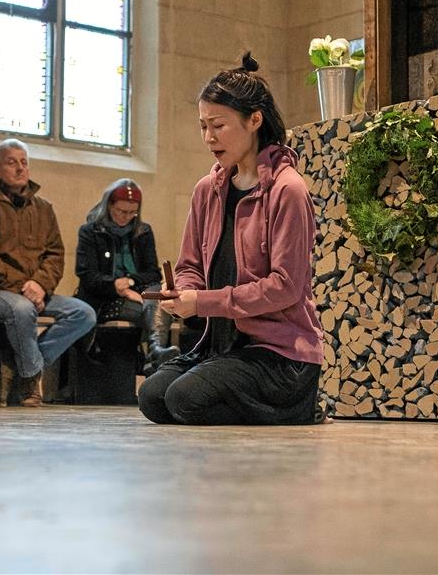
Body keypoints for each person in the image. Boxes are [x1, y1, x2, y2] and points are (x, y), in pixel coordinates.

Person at [138, 53, 325, 425]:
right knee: (153, 397)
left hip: (279, 355)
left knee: (184, 399)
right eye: (203, 126)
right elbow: (189, 265)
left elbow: (286, 287)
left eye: (218, 125)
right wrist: (181, 293)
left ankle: (300, 407)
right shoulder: (207, 189)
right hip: (220, 345)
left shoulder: (288, 189)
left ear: (254, 119)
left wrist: (203, 302)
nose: (209, 138)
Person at [0, 139, 96, 406]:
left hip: (36, 291)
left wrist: (39, 284)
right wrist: (25, 288)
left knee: (84, 314)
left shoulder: (44, 209)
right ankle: (29, 384)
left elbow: (55, 255)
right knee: (22, 309)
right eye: (11, 162)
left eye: (24, 162)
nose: (19, 168)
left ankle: (23, 367)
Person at [75, 179, 179, 375]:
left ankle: (155, 351)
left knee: (161, 296)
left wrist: (130, 282)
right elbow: (88, 276)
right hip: (106, 297)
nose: (127, 217)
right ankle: (154, 353)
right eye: (122, 211)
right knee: (149, 306)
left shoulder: (143, 231)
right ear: (109, 206)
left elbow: (152, 272)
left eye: (133, 213)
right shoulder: (90, 232)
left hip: (139, 292)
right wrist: (117, 287)